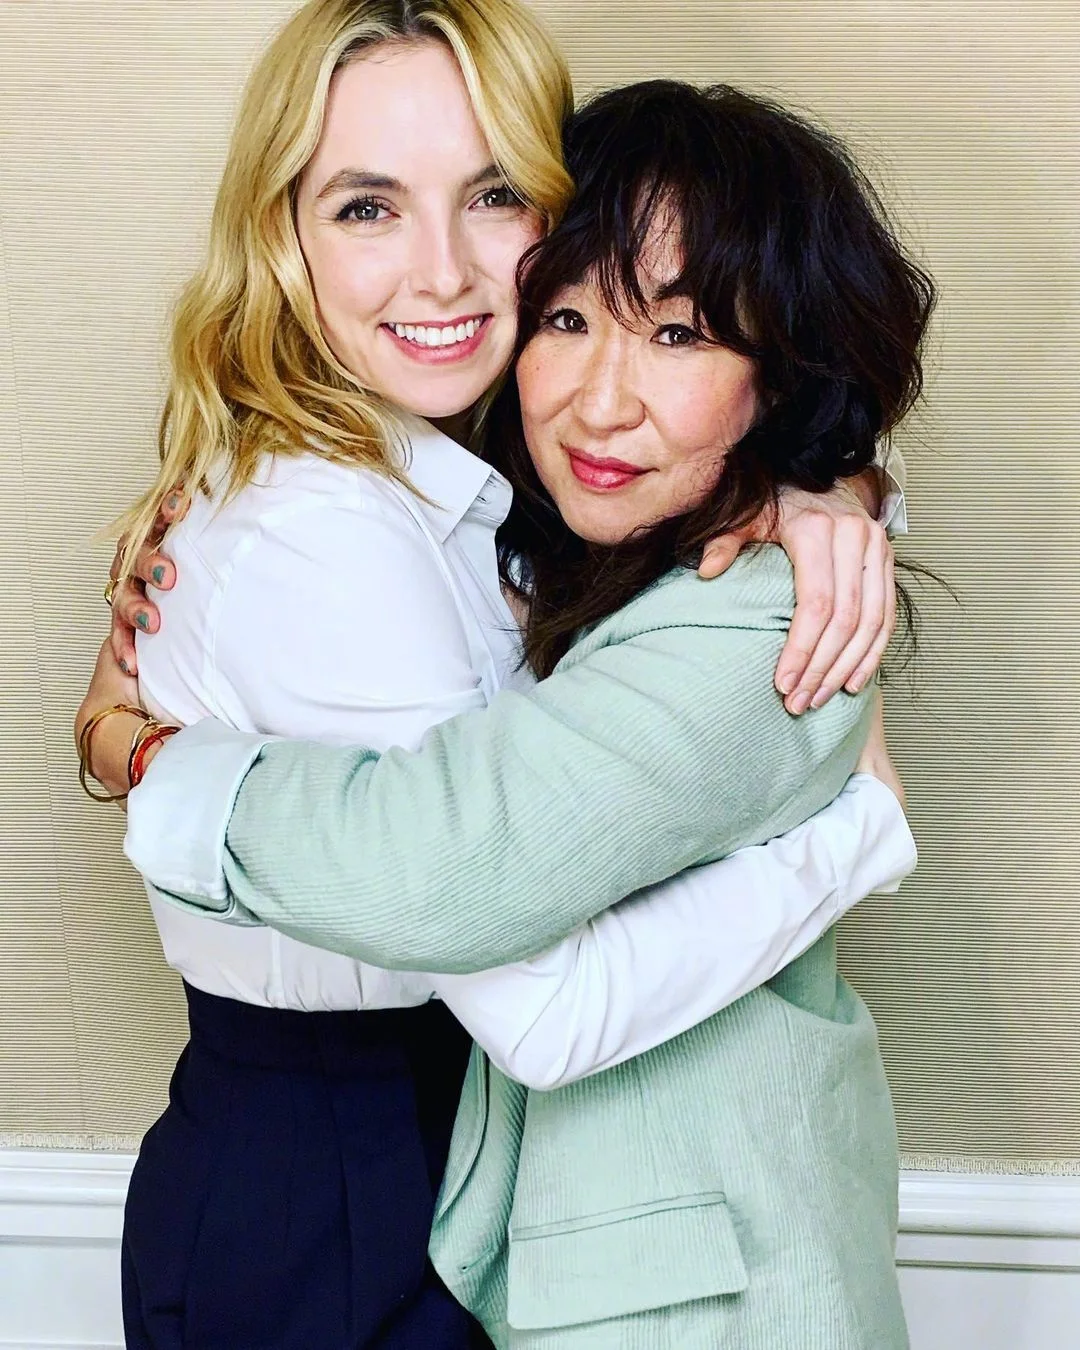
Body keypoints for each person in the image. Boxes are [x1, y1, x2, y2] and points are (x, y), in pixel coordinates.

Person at [79, 72, 932, 1349]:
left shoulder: (749, 609)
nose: (602, 398)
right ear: (282, 236)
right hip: (332, 1167)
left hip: (677, 1268)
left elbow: (518, 973)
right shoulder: (464, 520)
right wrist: (840, 495)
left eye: (681, 336)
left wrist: (140, 754)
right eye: (569, 317)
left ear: (782, 374)